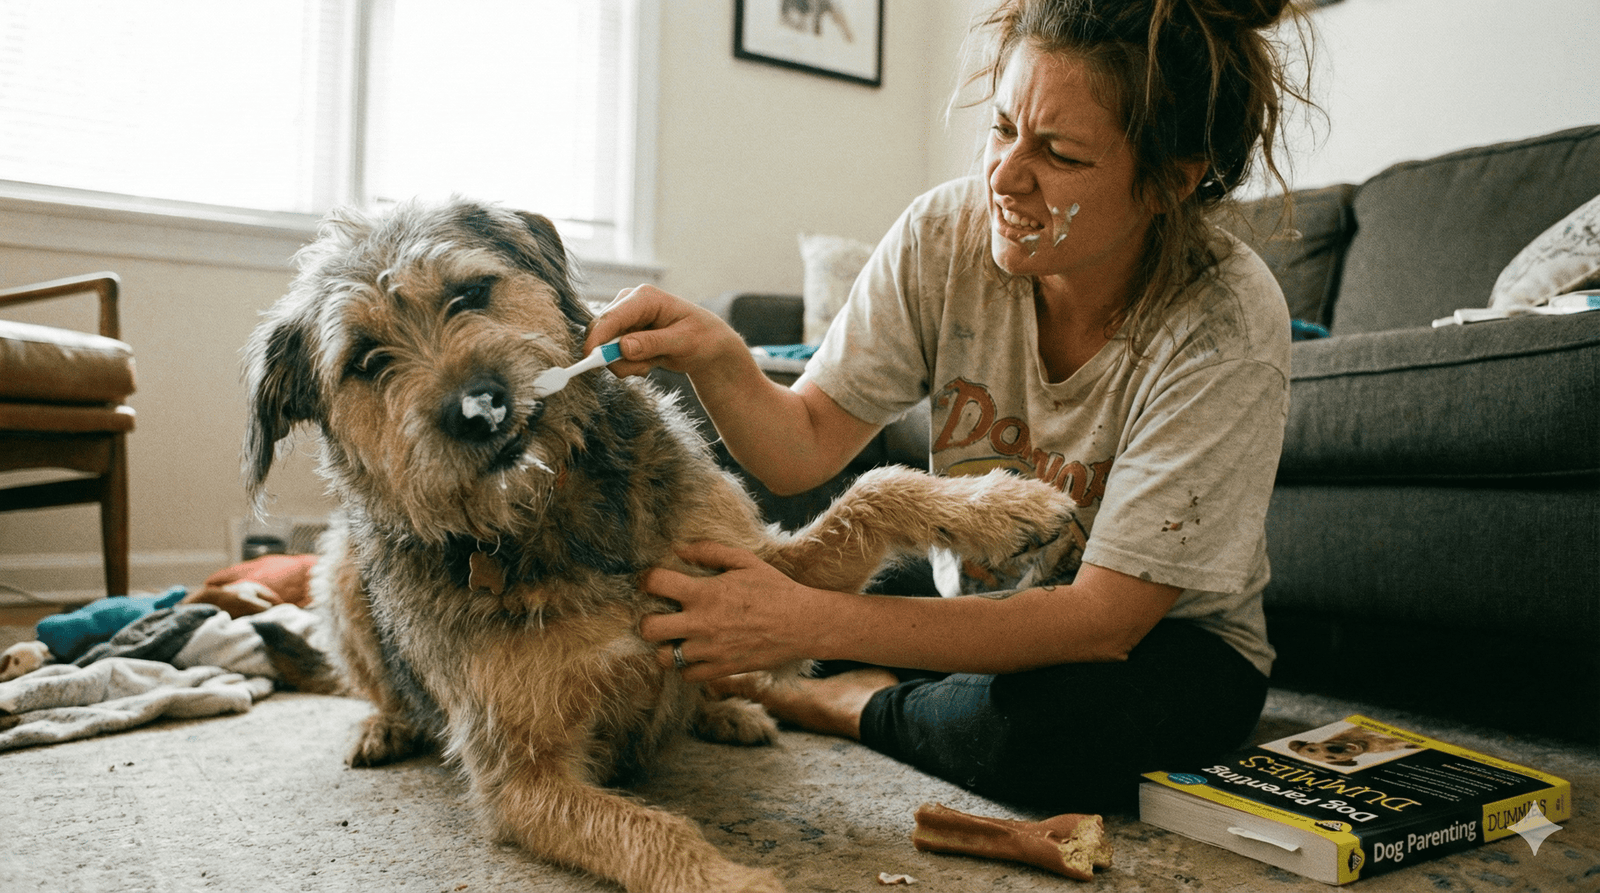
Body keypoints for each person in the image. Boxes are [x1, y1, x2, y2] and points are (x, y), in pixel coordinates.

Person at [586, 0, 1308, 810]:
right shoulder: (943, 236)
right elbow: (803, 446)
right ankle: (883, 681)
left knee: (1037, 737)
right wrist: (720, 359)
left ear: (1169, 182)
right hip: (974, 603)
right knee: (740, 593)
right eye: (1003, 129)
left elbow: (1102, 622)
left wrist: (811, 629)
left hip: (1168, 644)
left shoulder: (1226, 319)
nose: (1003, 176)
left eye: (1059, 153)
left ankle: (849, 701)